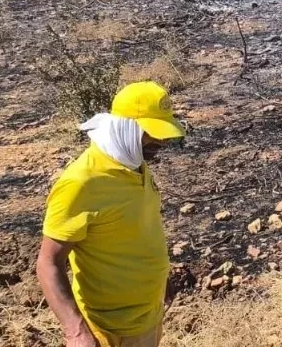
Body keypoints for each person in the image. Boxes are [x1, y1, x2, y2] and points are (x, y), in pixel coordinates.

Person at [36, 81, 186, 347]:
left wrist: (160, 279)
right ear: (125, 127)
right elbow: (48, 263)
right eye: (151, 132)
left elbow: (138, 230)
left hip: (147, 318)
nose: (161, 141)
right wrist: (77, 332)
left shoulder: (134, 161)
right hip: (106, 330)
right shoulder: (81, 182)